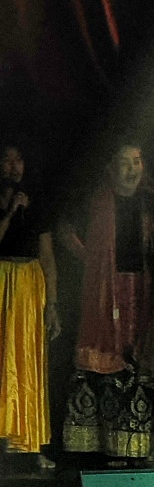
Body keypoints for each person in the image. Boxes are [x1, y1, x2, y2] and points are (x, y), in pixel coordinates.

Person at [59, 142, 154, 460]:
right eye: (125, 162)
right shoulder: (96, 202)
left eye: (137, 161)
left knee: (135, 362)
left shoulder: (150, 203)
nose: (132, 169)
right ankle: (97, 445)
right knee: (104, 363)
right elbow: (65, 230)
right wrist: (92, 261)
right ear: (111, 168)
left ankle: (134, 445)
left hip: (141, 290)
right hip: (105, 292)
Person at [0, 141, 59, 462]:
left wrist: (53, 305)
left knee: (26, 360)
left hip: (28, 285)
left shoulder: (37, 202)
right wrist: (10, 212)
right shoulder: (7, 203)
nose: (14, 167)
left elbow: (47, 256)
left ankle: (28, 442)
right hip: (1, 281)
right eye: (7, 161)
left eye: (18, 160)